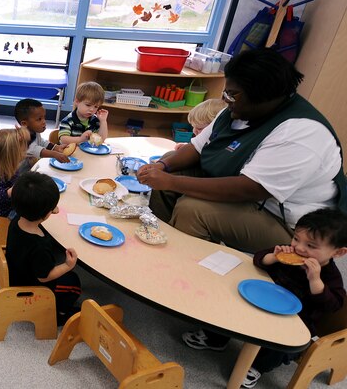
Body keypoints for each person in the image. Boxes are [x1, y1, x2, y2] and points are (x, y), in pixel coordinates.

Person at [136, 48, 347, 253]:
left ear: (262, 95)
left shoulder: (301, 133)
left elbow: (250, 189)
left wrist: (170, 182)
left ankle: (185, 271)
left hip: (291, 225)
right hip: (249, 194)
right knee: (169, 163)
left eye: (232, 94)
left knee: (193, 210)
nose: (226, 99)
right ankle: (161, 240)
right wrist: (162, 167)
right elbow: (197, 148)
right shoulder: (238, 110)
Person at [181, 208, 347, 389]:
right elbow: (258, 259)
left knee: (279, 349)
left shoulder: (331, 277)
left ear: (338, 253)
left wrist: (315, 280)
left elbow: (333, 305)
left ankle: (257, 367)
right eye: (296, 238)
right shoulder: (288, 252)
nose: (299, 248)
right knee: (230, 308)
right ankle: (215, 339)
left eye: (311, 246)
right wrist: (274, 257)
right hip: (264, 300)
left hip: (295, 320)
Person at [6, 171, 81, 323]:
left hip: (17, 273)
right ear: (46, 213)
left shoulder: (16, 220)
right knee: (74, 284)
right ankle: (59, 314)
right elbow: (44, 276)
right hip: (32, 288)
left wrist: (47, 209)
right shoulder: (39, 245)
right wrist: (68, 265)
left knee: (70, 278)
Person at [15, 98, 70, 164]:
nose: (44, 121)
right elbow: (34, 150)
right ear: (24, 124)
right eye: (39, 119)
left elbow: (41, 142)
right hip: (20, 170)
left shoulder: (34, 131)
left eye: (44, 117)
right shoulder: (22, 137)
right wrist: (54, 154)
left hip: (32, 165)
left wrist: (56, 147)